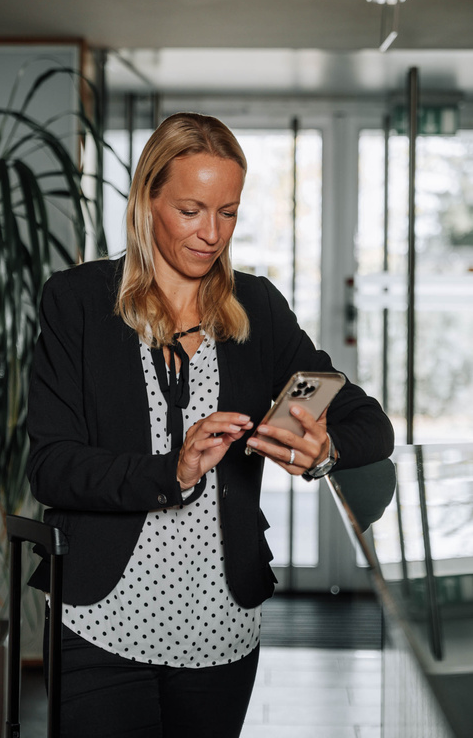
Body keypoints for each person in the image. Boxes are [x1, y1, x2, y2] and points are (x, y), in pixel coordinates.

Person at [27, 112, 394, 738]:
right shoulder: (78, 301)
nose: (211, 234)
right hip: (101, 619)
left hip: (221, 625)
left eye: (228, 212)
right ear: (148, 200)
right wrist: (171, 470)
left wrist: (323, 449)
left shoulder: (257, 307)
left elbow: (369, 422)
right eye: (192, 210)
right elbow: (51, 467)